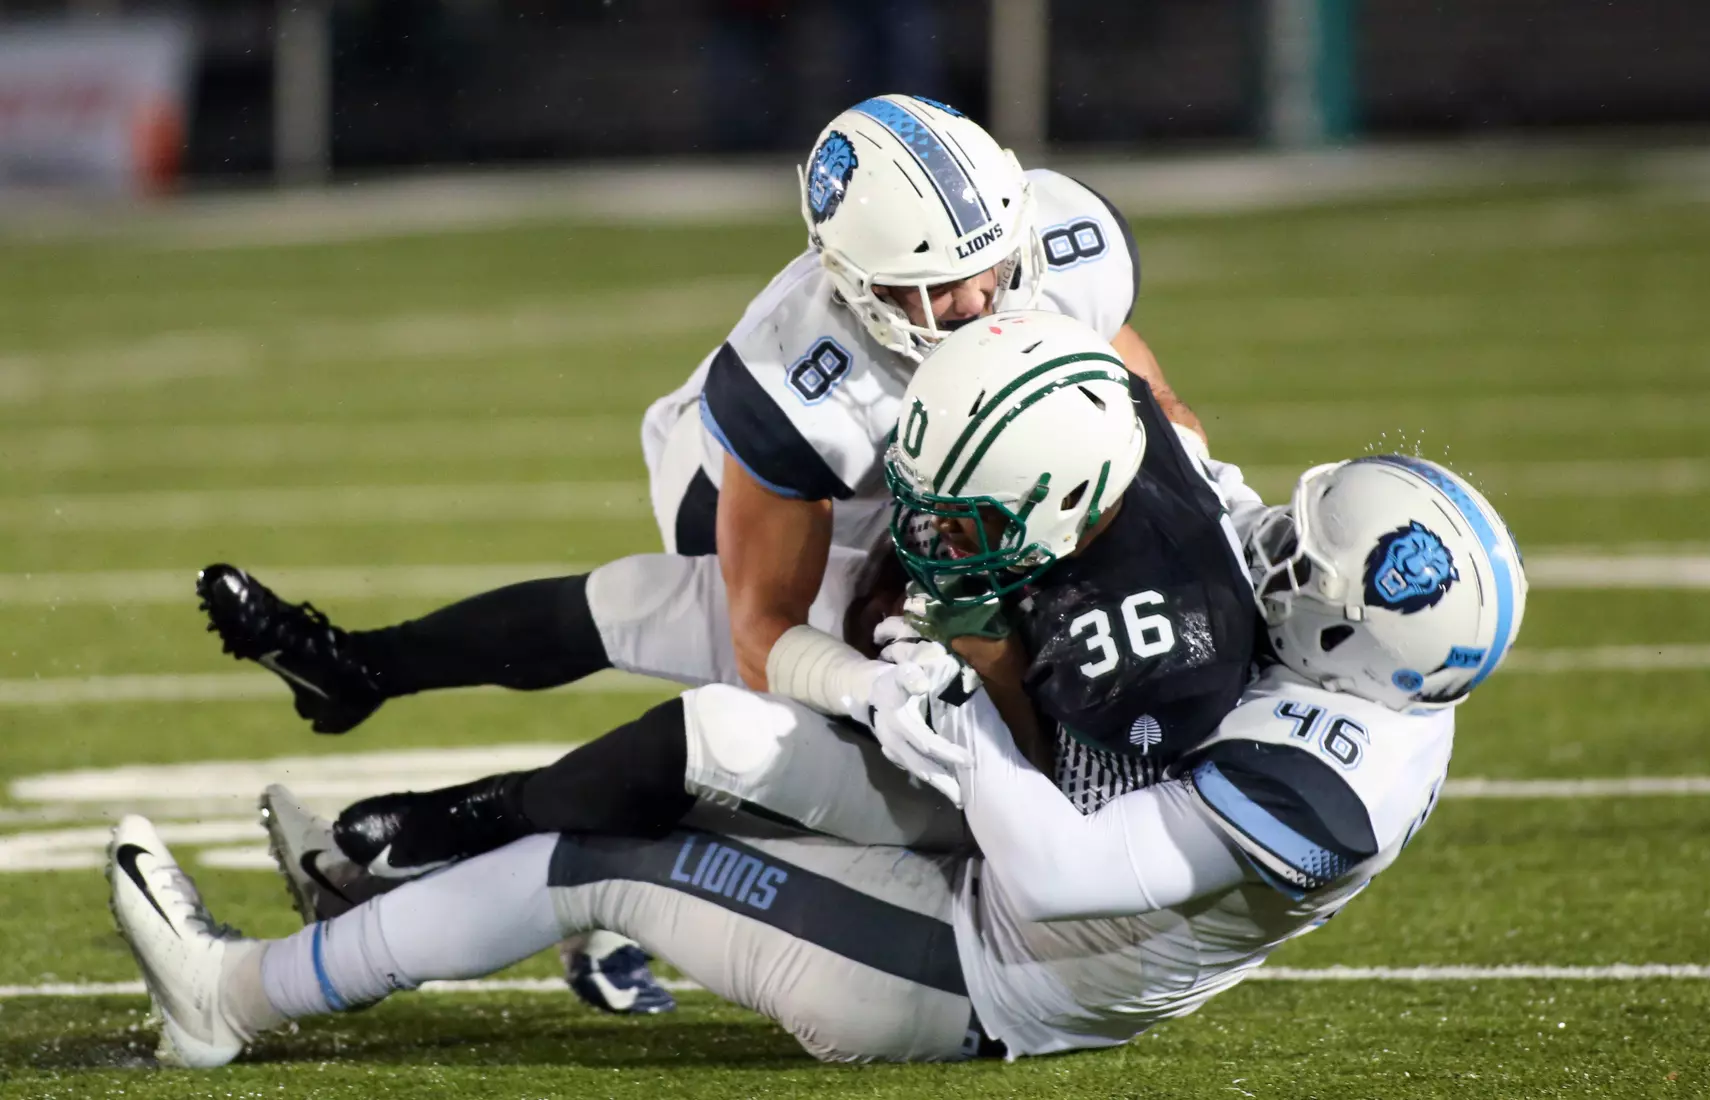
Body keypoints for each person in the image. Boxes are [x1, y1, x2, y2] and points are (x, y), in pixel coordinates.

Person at [109, 316, 1528, 1067]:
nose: (1283, 534)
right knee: (715, 739)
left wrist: (963, 730)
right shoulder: (1345, 658)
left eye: (1307, 555)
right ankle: (382, 855)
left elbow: (1080, 870)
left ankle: (233, 999)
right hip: (1021, 824)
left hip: (993, 967)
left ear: (1348, 647)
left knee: (596, 865)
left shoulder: (1323, 783)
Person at [195, 95, 1197, 1013]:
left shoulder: (1060, 252)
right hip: (809, 503)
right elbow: (762, 634)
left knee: (777, 686)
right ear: (855, 283)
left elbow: (1152, 419)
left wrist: (1202, 499)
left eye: (993, 262)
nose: (983, 298)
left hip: (960, 513)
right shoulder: (799, 386)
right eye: (935, 285)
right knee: (717, 672)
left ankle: (375, 703)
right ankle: (456, 787)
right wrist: (869, 683)